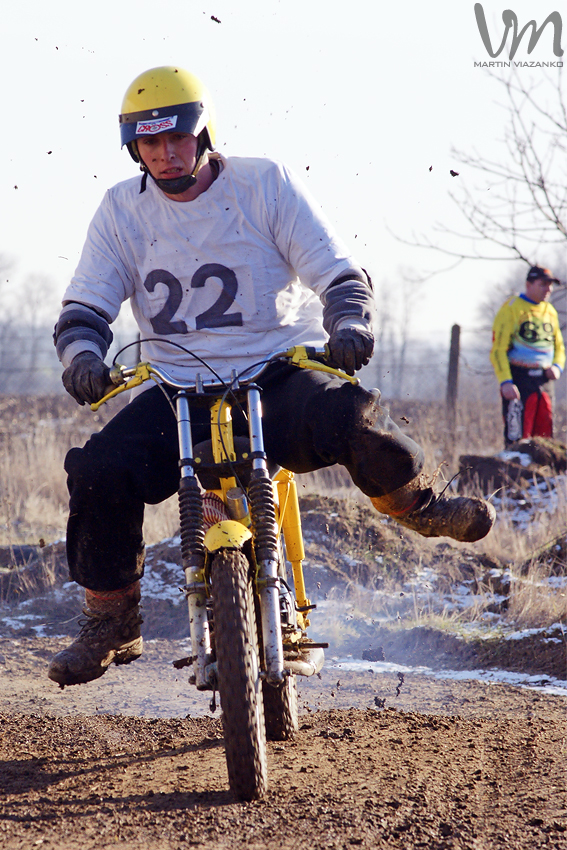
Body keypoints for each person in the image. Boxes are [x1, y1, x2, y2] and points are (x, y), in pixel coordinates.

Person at [48, 66, 495, 687]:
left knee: (354, 418)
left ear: (203, 133)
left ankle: (417, 503)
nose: (166, 154)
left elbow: (336, 269)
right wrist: (83, 359)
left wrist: (349, 324)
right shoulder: (122, 211)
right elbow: (85, 306)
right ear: (135, 148)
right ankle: (111, 618)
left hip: (276, 373)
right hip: (179, 386)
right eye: (151, 144)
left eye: (177, 138)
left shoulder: (264, 183)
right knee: (97, 471)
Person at [490, 266, 565, 447]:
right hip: (519, 377)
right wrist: (506, 381)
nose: (548, 289)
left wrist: (557, 366)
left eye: (550, 285)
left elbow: (559, 347)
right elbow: (498, 350)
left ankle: (543, 473)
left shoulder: (550, 311)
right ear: (528, 284)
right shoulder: (512, 308)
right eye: (543, 284)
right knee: (518, 435)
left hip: (544, 380)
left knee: (545, 435)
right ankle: (515, 470)